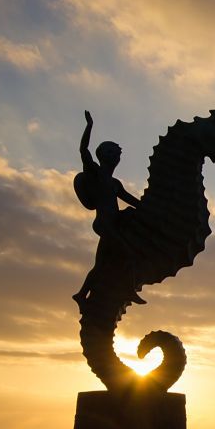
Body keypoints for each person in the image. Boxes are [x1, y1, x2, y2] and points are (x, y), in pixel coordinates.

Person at [72, 109, 146, 305]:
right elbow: (83, 150)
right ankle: (129, 290)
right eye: (113, 152)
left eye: (117, 153)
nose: (117, 156)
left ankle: (81, 295)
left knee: (101, 264)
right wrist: (89, 126)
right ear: (104, 156)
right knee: (130, 253)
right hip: (105, 224)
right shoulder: (96, 174)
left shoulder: (115, 184)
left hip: (114, 222)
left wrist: (150, 204)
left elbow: (132, 200)